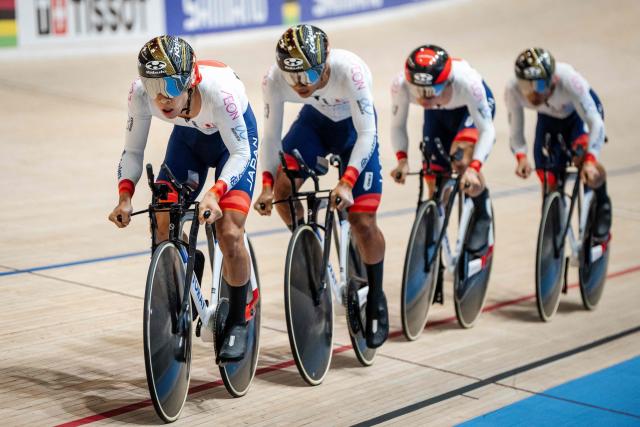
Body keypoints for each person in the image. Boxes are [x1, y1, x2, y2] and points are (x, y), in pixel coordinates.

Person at [108, 35, 259, 362]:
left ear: (190, 81)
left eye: (171, 85)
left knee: (229, 231)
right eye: (153, 85)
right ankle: (186, 272)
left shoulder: (221, 94)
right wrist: (125, 196)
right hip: (189, 140)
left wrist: (216, 192)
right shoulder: (140, 94)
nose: (161, 97)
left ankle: (238, 318)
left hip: (231, 144)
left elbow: (241, 151)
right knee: (162, 213)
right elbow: (132, 151)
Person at [253, 24, 388, 348]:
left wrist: (347, 181)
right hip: (314, 124)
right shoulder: (275, 78)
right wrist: (268, 184)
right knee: (284, 192)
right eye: (292, 76)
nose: (299, 84)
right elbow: (271, 137)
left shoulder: (350, 71)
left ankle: (376, 295)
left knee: (363, 222)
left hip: (355, 131)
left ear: (325, 63)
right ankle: (311, 251)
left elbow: (367, 133)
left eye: (307, 75)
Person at [390, 44, 496, 256]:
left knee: (461, 159)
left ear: (447, 82)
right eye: (418, 91)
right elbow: (397, 125)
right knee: (435, 178)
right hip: (437, 115)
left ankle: (482, 213)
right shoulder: (402, 84)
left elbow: (487, 130)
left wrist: (474, 167)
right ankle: (432, 247)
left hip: (469, 111)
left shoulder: (468, 83)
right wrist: (402, 159)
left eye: (430, 92)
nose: (423, 98)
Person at [505, 47, 611, 240]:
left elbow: (595, 122)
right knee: (548, 178)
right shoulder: (513, 89)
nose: (531, 95)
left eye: (538, 86)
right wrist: (521, 157)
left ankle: (601, 199)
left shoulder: (570, 80)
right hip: (548, 120)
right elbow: (515, 130)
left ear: (552, 80)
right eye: (526, 86)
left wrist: (590, 159)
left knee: (584, 162)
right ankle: (554, 234)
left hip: (578, 117)